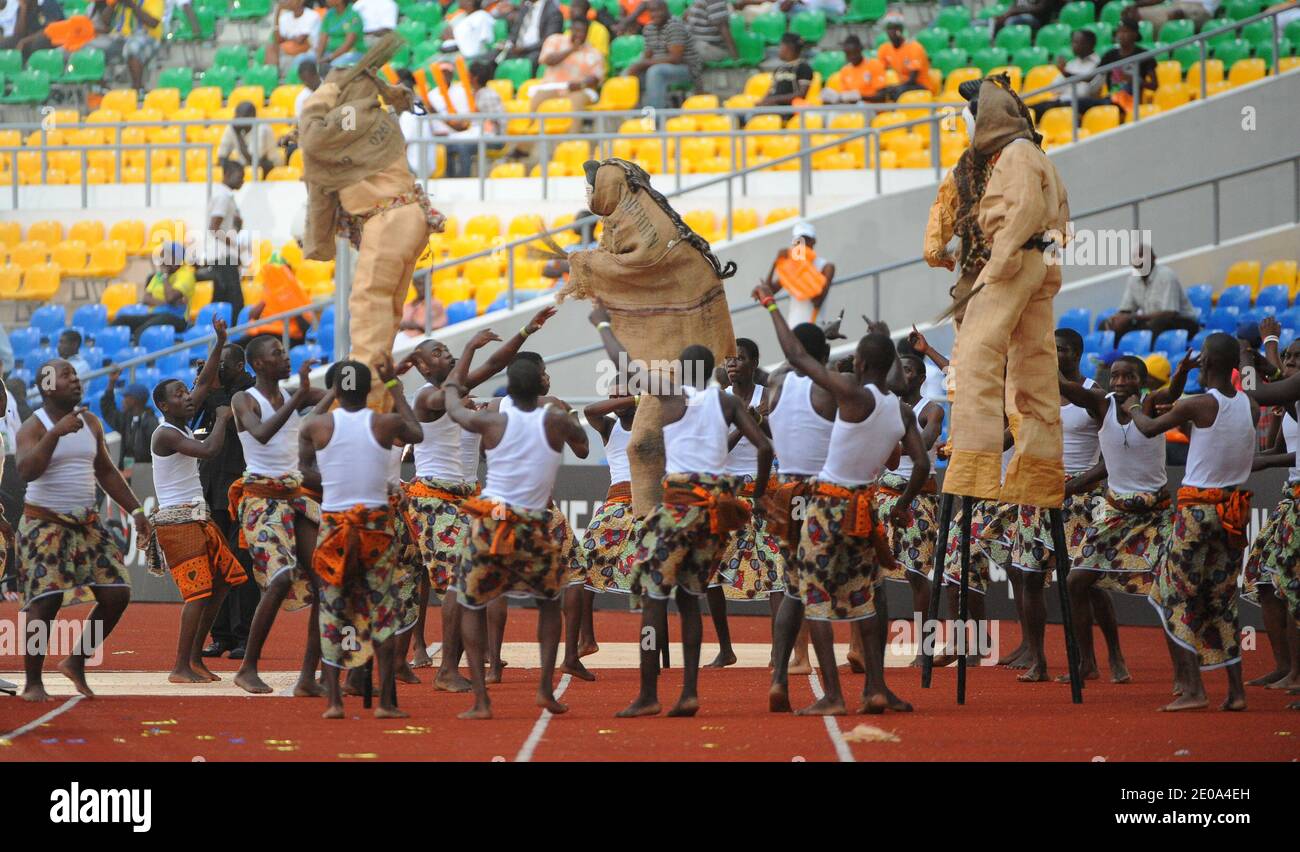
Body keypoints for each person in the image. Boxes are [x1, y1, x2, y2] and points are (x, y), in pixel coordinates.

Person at [591, 303, 770, 719]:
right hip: (714, 515)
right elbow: (763, 448)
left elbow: (624, 365)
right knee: (692, 599)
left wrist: (601, 322)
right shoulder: (726, 404)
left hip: (678, 508)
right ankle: (689, 691)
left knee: (654, 602)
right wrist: (759, 496)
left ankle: (649, 693)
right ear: (712, 371)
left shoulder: (673, 394)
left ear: (681, 370)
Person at [756, 286, 926, 715]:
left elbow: (796, 358)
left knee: (804, 593)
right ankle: (875, 686)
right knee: (870, 596)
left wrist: (770, 303)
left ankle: (814, 687)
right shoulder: (901, 409)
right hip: (864, 506)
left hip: (814, 501)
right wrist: (903, 503)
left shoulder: (840, 390)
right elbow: (920, 465)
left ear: (861, 363)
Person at [405, 309, 556, 690]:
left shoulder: (460, 395)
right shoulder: (427, 397)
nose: (447, 354)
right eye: (437, 352)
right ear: (422, 368)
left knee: (473, 580)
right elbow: (477, 372)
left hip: (465, 501)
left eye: (447, 350)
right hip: (433, 498)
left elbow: (491, 365)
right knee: (457, 581)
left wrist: (524, 331)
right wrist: (471, 345)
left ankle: (454, 663)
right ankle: (445, 670)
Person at [942, 75, 1070, 510]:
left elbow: (1026, 210)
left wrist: (999, 260)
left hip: (1013, 262)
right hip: (1041, 262)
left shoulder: (1014, 156)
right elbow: (1060, 214)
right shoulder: (1036, 153)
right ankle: (1037, 474)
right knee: (1034, 369)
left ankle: (972, 472)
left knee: (976, 356)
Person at [300, 39, 445, 410]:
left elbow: (315, 138)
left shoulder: (349, 114)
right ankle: (378, 402)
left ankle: (357, 408)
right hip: (407, 217)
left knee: (367, 314)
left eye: (333, 81)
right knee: (385, 319)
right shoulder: (374, 114)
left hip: (388, 217)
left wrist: (322, 95)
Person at [442, 353, 589, 720]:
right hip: (535, 523)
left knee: (472, 601)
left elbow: (455, 411)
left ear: (508, 388)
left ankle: (481, 698)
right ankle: (543, 689)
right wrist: (566, 415)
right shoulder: (555, 419)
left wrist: (449, 386)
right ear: (542, 384)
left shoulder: (490, 420)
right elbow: (584, 448)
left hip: (491, 521)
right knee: (549, 603)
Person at [1129, 333, 1256, 711]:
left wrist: (1136, 406)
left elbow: (1148, 428)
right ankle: (1236, 693)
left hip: (1196, 513)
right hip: (1232, 512)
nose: (1198, 364)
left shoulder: (1199, 403)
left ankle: (1193, 689)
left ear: (1208, 363)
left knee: (1173, 596)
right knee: (1221, 600)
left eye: (1201, 360)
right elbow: (1202, 435)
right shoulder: (1248, 403)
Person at [15, 359, 150, 701]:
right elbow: (27, 470)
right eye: (66, 376)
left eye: (76, 375)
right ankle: (33, 681)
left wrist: (135, 509)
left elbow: (105, 471)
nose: (76, 380)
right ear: (47, 385)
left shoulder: (91, 422)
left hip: (86, 524)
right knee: (45, 601)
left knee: (116, 592)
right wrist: (56, 433)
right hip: (43, 522)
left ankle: (76, 660)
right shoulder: (34, 426)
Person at [301, 357, 423, 719]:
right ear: (369, 388)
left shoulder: (318, 425)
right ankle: (385, 702)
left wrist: (335, 481)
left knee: (335, 608)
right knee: (382, 609)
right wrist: (394, 388)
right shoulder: (384, 423)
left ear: (336, 389)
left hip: (335, 524)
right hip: (374, 526)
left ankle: (334, 701)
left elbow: (303, 469)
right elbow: (416, 434)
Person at [1063, 353, 1190, 685]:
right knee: (1076, 581)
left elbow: (1172, 394)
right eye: (1115, 376)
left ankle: (1181, 674)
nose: (1120, 382)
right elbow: (1064, 386)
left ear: (1142, 381)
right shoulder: (1100, 405)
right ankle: (1088, 663)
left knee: (1168, 592)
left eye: (1129, 377)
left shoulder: (1150, 406)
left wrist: (1180, 374)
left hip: (1156, 515)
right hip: (1115, 514)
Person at [228, 335, 327, 695]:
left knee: (325, 582)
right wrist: (300, 397)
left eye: (285, 352)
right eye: (277, 354)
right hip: (260, 499)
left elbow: (333, 397)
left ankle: (307, 678)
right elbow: (262, 434)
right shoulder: (243, 399)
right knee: (282, 578)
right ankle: (247, 667)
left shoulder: (290, 395)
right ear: (258, 364)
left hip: (295, 496)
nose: (285, 357)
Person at [147, 353, 249, 684]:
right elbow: (209, 452)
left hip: (197, 517)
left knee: (222, 581)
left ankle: (194, 659)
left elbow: (203, 382)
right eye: (178, 394)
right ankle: (180, 666)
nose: (187, 397)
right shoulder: (165, 434)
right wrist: (221, 419)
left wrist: (218, 343)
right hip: (178, 522)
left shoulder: (182, 425)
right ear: (163, 405)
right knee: (198, 593)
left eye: (185, 391)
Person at [707, 338, 783, 669]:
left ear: (754, 363)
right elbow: (715, 450)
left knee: (777, 570)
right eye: (729, 360)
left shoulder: (769, 397)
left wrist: (761, 421)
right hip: (727, 491)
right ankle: (725, 648)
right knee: (710, 571)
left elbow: (781, 441)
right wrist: (745, 424)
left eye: (740, 359)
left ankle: (778, 651)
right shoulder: (718, 402)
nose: (733, 364)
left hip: (763, 488)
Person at [874, 350, 942, 663]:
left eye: (909, 370)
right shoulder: (882, 407)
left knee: (917, 574)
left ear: (921, 377)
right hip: (882, 496)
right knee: (870, 574)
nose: (902, 375)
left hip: (917, 499)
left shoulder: (932, 409)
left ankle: (924, 649)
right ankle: (866, 649)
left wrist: (882, 445)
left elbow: (925, 442)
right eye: (897, 369)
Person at [196, 340, 259, 660]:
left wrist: (216, 389)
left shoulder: (250, 391)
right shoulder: (211, 389)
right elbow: (191, 413)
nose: (215, 370)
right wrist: (204, 382)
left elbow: (232, 420)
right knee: (215, 564)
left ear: (239, 366)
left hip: (241, 488)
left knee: (241, 563)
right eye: (212, 364)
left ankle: (244, 636)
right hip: (211, 486)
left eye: (220, 364)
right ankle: (219, 635)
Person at [1244, 338, 1300, 692]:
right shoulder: (1291, 401)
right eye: (1289, 356)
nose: (1291, 361)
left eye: (1298, 357)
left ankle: (1297, 673)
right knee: (1265, 583)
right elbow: (1281, 451)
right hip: (1289, 500)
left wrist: (1246, 360)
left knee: (1291, 588)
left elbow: (1256, 393)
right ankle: (1283, 667)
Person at [1104, 242, 1200, 345]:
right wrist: (1116, 318)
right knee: (1109, 325)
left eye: (1143, 256)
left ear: (1153, 258)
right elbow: (1126, 310)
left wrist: (1131, 317)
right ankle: (1117, 356)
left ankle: (1150, 356)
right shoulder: (1133, 279)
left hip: (1183, 322)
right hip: (1152, 322)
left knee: (1157, 323)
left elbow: (1170, 313)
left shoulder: (1166, 276)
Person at [426, 58, 505, 178]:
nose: (466, 77)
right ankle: (451, 179)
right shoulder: (475, 94)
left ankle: (464, 179)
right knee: (449, 145)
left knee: (463, 147)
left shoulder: (486, 95)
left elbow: (493, 125)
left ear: (475, 78)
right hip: (475, 133)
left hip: (492, 137)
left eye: (469, 75)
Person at [627, 0, 699, 110]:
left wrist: (643, 63)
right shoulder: (649, 28)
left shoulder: (675, 25)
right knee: (629, 72)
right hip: (660, 66)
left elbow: (676, 58)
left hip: (686, 69)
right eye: (652, 11)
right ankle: (631, 116)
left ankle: (655, 120)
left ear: (666, 10)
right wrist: (636, 67)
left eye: (658, 10)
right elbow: (648, 55)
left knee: (655, 72)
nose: (655, 14)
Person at [763, 219, 835, 327]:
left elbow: (817, 300)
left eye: (806, 239)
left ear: (813, 241)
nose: (802, 244)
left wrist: (802, 267)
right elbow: (769, 291)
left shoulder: (826, 266)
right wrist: (776, 262)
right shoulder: (792, 267)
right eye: (798, 240)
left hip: (815, 326)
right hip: (793, 326)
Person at [1077, 20, 1156, 118]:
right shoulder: (1110, 55)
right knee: (1078, 103)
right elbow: (1090, 77)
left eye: (1125, 32)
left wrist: (1133, 80)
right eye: (1119, 32)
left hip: (1130, 100)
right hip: (1111, 98)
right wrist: (1067, 74)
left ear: (1135, 34)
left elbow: (1154, 85)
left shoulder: (1143, 55)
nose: (1121, 35)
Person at [528, 17, 606, 113]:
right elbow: (549, 60)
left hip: (579, 89)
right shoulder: (555, 40)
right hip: (553, 86)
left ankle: (574, 129)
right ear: (570, 30)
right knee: (537, 99)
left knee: (577, 103)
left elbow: (596, 78)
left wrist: (581, 84)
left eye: (583, 32)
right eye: (576, 31)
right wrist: (572, 49)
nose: (579, 34)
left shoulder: (594, 52)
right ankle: (530, 126)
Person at [83, 0, 164, 90]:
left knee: (133, 47)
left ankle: (137, 89)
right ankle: (102, 88)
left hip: (148, 36)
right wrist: (112, 5)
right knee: (89, 47)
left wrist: (132, 5)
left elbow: (153, 23)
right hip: (120, 36)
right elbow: (105, 22)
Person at [203, 159, 248, 318]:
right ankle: (234, 337)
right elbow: (214, 228)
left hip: (223, 256)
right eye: (240, 176)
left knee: (222, 300)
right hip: (223, 257)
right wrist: (235, 245)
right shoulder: (223, 197)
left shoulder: (225, 196)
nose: (242, 180)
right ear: (228, 175)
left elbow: (223, 228)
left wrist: (238, 227)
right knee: (235, 302)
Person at [1029, 30, 1103, 123]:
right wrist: (1064, 73)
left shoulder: (1098, 64)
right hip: (1059, 102)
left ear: (1089, 44)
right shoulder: (1072, 64)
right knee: (1027, 110)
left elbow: (1086, 91)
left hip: (1079, 105)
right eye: (1072, 42)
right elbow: (1055, 88)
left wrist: (1067, 75)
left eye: (1076, 42)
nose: (1073, 45)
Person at [100, 374, 158, 471]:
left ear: (134, 400)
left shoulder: (151, 422)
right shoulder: (126, 420)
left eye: (125, 397)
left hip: (145, 476)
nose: (122, 401)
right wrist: (111, 383)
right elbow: (108, 410)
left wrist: (135, 471)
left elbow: (154, 454)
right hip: (128, 473)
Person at [876, 12, 935, 99]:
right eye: (889, 28)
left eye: (895, 28)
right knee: (881, 91)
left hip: (921, 86)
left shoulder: (914, 47)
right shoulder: (884, 49)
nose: (892, 31)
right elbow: (879, 71)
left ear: (901, 29)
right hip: (903, 85)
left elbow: (913, 79)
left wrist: (895, 87)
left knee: (898, 91)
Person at [219, 102, 282, 180]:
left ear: (252, 117)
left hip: (270, 167)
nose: (237, 120)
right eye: (236, 116)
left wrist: (238, 135)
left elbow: (253, 160)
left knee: (261, 166)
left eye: (241, 117)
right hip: (246, 166)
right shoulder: (234, 126)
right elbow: (222, 156)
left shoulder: (263, 129)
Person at [822, 34, 886, 104]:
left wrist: (860, 97)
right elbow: (846, 97)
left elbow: (882, 97)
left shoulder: (875, 65)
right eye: (848, 54)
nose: (852, 56)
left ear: (860, 49)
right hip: (852, 110)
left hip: (872, 109)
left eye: (854, 52)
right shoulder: (845, 71)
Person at [758, 33, 813, 112]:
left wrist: (775, 99)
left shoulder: (803, 68)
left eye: (780, 46)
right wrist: (763, 101)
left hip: (790, 109)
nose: (779, 50)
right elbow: (771, 90)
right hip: (773, 107)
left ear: (789, 48)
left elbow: (801, 94)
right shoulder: (779, 69)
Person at [502, 0, 563, 67]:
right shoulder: (525, 7)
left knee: (529, 61)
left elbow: (549, 40)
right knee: (493, 57)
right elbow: (515, 32)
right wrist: (508, 43)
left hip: (536, 50)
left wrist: (525, 49)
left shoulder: (553, 11)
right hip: (517, 50)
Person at [266, 0, 322, 72]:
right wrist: (277, 14)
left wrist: (285, 39)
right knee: (270, 47)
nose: (287, 1)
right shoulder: (285, 17)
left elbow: (300, 41)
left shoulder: (312, 15)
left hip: (307, 52)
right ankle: (272, 76)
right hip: (287, 51)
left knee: (296, 55)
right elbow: (278, 39)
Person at [316, 0, 366, 70]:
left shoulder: (353, 15)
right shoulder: (329, 15)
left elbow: (348, 44)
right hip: (330, 52)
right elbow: (322, 39)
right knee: (307, 62)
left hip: (352, 53)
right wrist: (318, 58)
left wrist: (329, 58)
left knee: (335, 66)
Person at [683, 0, 734, 64]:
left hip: (711, 47)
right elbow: (685, 16)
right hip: (698, 42)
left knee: (680, 49)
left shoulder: (715, 2)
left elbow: (723, 29)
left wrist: (734, 56)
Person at [1129, 0, 1219, 36]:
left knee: (1175, 14)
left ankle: (1162, 48)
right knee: (1136, 13)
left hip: (1201, 8)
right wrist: (1137, 5)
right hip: (1174, 4)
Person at [994, 0, 1065, 32]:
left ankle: (1011, 44)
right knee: (989, 21)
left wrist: (1014, 12)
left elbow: (1040, 9)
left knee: (1011, 21)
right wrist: (1005, 15)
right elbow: (1014, 7)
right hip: (1018, 15)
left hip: (1037, 19)